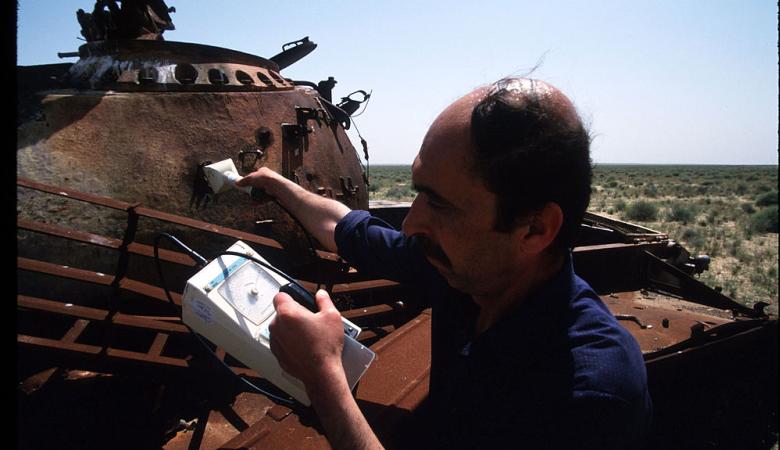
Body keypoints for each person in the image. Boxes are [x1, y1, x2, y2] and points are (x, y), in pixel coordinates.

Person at [237, 77, 652, 449]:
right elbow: (345, 227)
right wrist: (277, 185)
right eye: (419, 192)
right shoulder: (466, 272)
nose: (412, 223)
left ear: (535, 229)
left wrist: (324, 378)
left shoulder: (588, 397)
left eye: (439, 202)